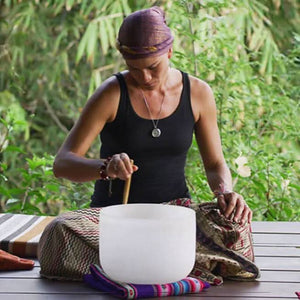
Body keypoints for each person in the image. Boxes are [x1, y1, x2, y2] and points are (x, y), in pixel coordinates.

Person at [53, 6, 252, 225]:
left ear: (169, 52)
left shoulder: (198, 93)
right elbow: (63, 163)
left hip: (174, 216)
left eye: (153, 67)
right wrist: (107, 167)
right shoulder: (111, 94)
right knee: (60, 228)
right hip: (114, 217)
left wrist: (225, 193)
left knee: (235, 228)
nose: (144, 77)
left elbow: (215, 164)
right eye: (134, 69)